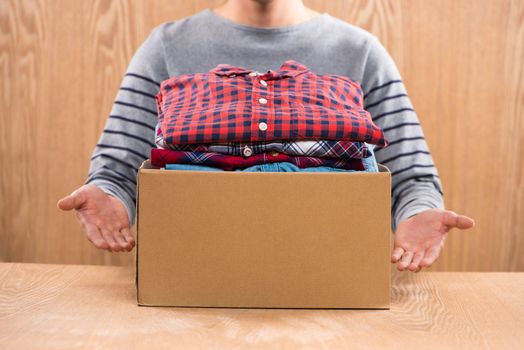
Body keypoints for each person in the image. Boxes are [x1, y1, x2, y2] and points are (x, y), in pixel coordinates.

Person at [57, 0, 475, 272]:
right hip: (193, 284)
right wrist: (107, 194)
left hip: (328, 282)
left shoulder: (359, 50)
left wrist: (418, 212)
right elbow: (120, 166)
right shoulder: (167, 46)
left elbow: (411, 177)